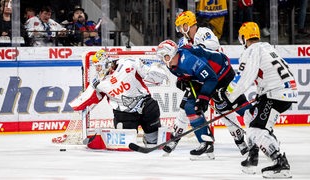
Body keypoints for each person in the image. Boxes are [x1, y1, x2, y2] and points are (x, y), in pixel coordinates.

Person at [163, 10, 250, 158]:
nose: (180, 31)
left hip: (219, 76)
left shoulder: (203, 32)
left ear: (189, 24)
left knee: (224, 111)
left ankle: (240, 140)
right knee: (187, 107)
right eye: (178, 28)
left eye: (182, 26)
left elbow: (212, 45)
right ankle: (178, 139)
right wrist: (182, 79)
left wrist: (195, 48)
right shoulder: (183, 42)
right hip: (200, 79)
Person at [221, 22, 297, 178]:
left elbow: (242, 78)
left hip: (275, 94)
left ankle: (280, 163)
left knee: (256, 130)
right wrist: (261, 94)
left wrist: (228, 96)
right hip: (280, 92)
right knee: (249, 115)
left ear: (243, 38)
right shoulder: (267, 48)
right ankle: (253, 155)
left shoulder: (251, 51)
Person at [70, 50, 169, 146]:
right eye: (96, 67)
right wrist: (77, 105)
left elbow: (153, 76)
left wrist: (157, 72)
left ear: (106, 63)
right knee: (126, 145)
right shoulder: (99, 83)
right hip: (124, 114)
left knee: (154, 140)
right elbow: (88, 98)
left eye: (99, 66)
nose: (97, 69)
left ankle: (151, 139)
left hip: (145, 106)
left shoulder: (129, 64)